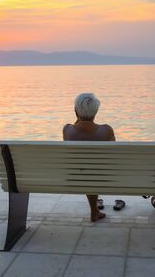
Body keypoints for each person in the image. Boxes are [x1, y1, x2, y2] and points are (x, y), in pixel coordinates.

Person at [63, 93, 125, 222]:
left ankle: (94, 210)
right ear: (96, 111)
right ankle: (94, 211)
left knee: (85, 169)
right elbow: (113, 155)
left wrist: (78, 117)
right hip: (103, 177)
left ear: (75, 111)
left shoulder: (67, 130)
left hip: (75, 177)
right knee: (93, 169)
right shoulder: (107, 130)